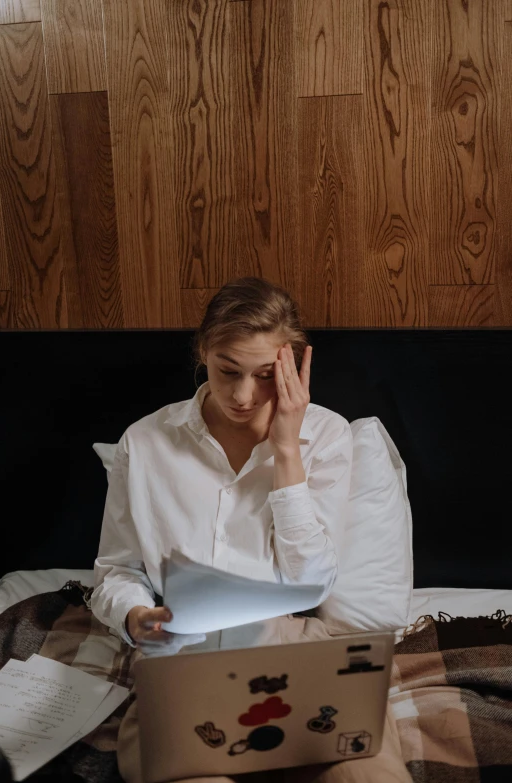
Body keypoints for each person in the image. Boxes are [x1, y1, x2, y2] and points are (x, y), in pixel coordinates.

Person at [91, 277, 410, 783]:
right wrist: (134, 615)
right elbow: (118, 568)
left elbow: (314, 578)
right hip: (184, 655)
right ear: (203, 351)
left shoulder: (324, 435)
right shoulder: (147, 441)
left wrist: (287, 450)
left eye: (265, 375)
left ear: (293, 364)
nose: (243, 395)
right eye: (227, 371)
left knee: (364, 775)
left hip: (296, 650)